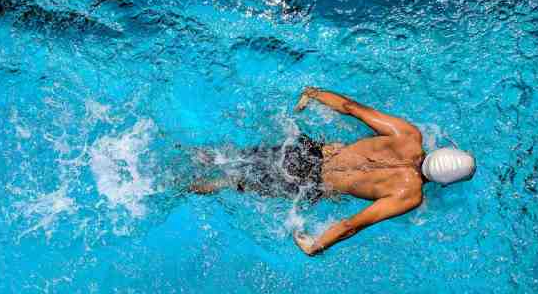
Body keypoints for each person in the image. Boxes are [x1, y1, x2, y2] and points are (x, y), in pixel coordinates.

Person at [188, 87, 476, 256]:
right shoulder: (409, 195)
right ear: (444, 183)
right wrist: (316, 246)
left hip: (307, 151)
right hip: (309, 184)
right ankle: (181, 187)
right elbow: (353, 224)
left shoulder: (407, 135)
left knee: (229, 157)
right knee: (232, 182)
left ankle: (186, 152)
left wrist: (314, 94)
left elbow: (352, 108)